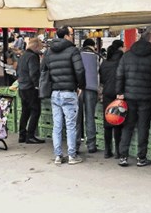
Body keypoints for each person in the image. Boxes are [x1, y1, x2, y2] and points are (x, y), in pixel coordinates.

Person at [40, 25, 86, 166]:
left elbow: (44, 70)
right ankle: (72, 155)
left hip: (55, 93)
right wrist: (81, 86)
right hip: (68, 92)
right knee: (71, 126)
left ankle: (58, 156)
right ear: (66, 36)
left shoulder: (48, 52)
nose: (72, 36)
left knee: (57, 126)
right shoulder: (73, 50)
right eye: (71, 34)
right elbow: (80, 70)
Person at [116, 31, 151, 167]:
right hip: (147, 97)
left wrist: (119, 92)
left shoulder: (127, 55)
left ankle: (123, 155)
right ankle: (141, 157)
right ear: (150, 40)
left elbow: (120, 74)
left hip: (129, 96)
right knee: (143, 127)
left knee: (128, 126)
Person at [16, 37, 45, 144]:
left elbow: (17, 71)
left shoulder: (23, 55)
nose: (40, 49)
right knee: (35, 111)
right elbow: (34, 73)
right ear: (35, 46)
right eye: (40, 47)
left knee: (25, 112)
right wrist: (37, 86)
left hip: (22, 87)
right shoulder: (33, 56)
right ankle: (30, 136)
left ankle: (22, 135)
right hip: (30, 88)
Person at [99, 40, 125, 158]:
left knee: (107, 122)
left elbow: (102, 79)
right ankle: (118, 152)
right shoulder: (121, 62)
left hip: (107, 94)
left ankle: (107, 150)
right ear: (120, 48)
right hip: (118, 95)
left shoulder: (104, 63)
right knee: (118, 122)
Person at [80, 38, 101, 153]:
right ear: (92, 46)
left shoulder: (77, 55)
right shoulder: (96, 57)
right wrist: (98, 90)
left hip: (79, 89)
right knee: (90, 117)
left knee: (77, 118)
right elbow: (98, 74)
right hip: (92, 89)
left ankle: (76, 144)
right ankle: (91, 145)